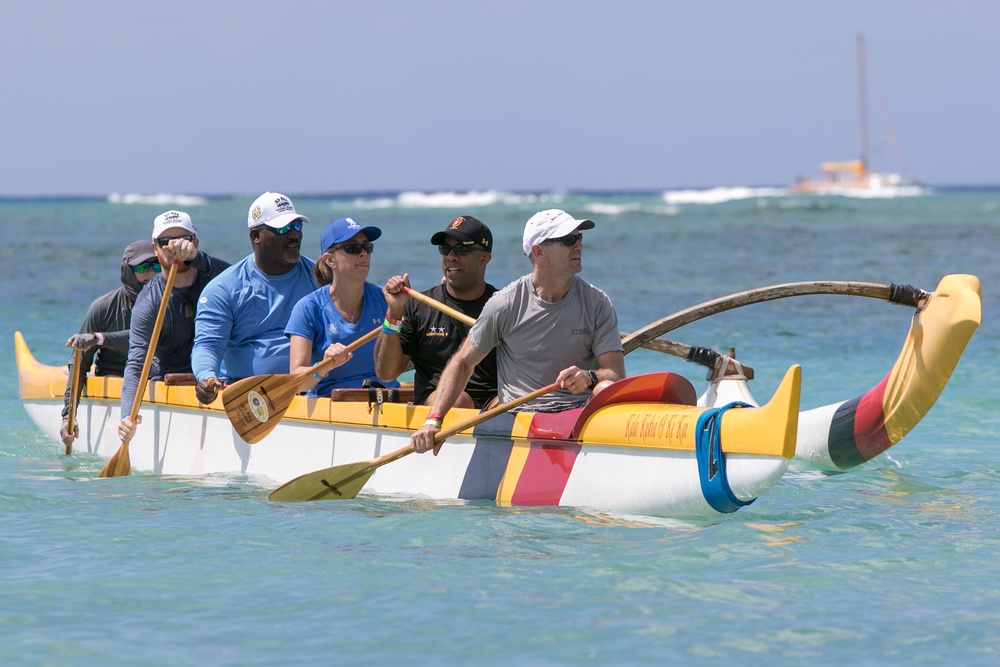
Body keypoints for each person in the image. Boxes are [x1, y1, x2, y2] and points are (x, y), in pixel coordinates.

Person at [411, 208, 626, 455]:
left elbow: (615, 373)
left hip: (580, 414)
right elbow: (462, 363)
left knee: (606, 387)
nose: (578, 246)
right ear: (539, 251)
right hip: (524, 420)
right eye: (568, 240)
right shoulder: (505, 304)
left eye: (579, 238)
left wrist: (590, 377)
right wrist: (433, 421)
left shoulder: (597, 302)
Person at [191, 192, 318, 405]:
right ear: (255, 236)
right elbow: (208, 346)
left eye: (297, 226)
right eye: (283, 229)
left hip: (310, 391)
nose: (294, 235)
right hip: (248, 398)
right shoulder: (223, 289)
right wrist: (206, 376)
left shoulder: (320, 278)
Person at [118, 210, 230, 440]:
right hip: (170, 383)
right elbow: (137, 363)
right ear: (155, 248)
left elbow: (247, 277)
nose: (175, 247)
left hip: (217, 381)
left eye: (183, 240)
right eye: (166, 242)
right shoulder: (149, 302)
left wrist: (197, 259)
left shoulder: (219, 281)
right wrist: (127, 415)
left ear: (195, 244)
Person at [376, 215, 498, 409]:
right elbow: (386, 373)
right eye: (445, 249)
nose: (450, 256)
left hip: (492, 401)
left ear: (484, 258)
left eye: (461, 249)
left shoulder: (501, 305)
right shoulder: (420, 306)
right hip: (438, 400)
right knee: (459, 400)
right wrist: (394, 312)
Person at [59, 240, 160, 447]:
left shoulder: (170, 302)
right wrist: (68, 416)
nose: (150, 273)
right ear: (127, 271)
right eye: (142, 267)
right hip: (115, 377)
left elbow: (150, 338)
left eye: (156, 266)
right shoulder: (102, 308)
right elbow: (79, 366)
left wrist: (99, 338)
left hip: (155, 377)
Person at [285, 216, 399, 396]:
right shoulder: (308, 308)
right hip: (332, 404)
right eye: (352, 248)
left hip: (385, 399)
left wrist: (397, 313)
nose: (363, 254)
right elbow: (297, 383)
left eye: (367, 247)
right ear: (330, 260)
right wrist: (322, 367)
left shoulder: (386, 300)